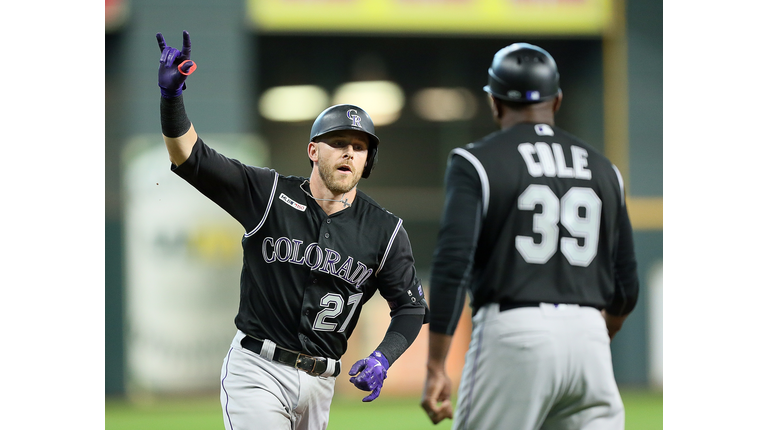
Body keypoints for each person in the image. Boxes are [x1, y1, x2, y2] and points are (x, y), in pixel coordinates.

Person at [155, 31, 428, 430]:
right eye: (338, 142)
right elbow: (190, 158)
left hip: (322, 383)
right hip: (258, 371)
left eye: (360, 145)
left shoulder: (385, 231)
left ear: (367, 160)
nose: (349, 151)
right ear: (314, 150)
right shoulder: (267, 193)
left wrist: (383, 356)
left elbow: (411, 307)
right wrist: (172, 99)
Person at [420, 43, 640, 430]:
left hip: (515, 333)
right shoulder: (606, 170)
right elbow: (626, 283)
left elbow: (453, 264)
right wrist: (598, 332)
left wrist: (436, 363)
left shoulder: (476, 161)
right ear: (556, 101)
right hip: (589, 335)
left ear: (494, 102)